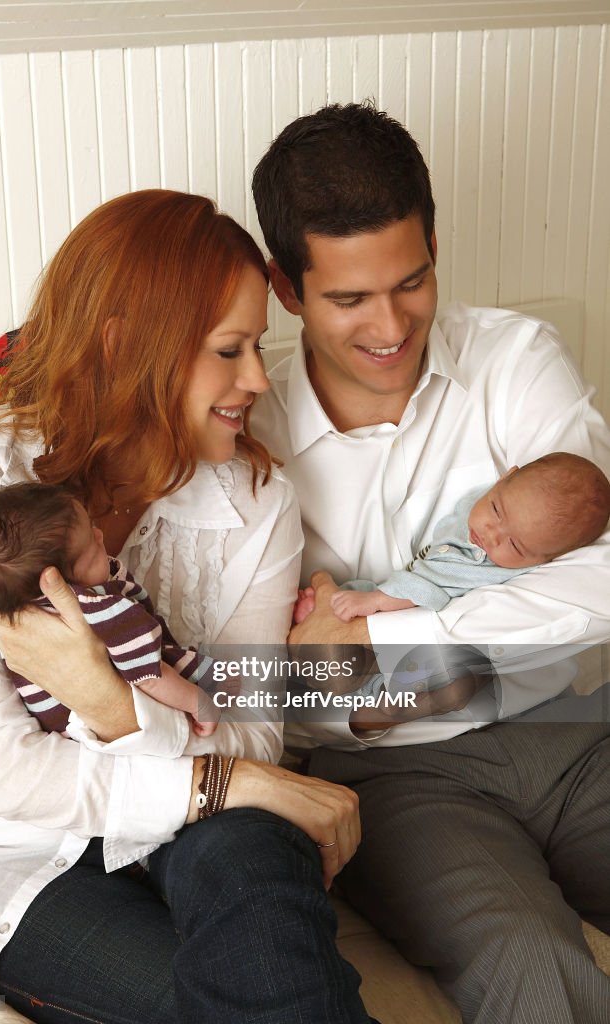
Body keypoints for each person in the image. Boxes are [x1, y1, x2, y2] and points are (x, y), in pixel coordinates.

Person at [0, 189, 373, 1024]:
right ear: (126, 344)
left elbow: (254, 726)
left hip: (207, 829)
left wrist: (114, 706)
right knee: (254, 1000)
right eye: (229, 351)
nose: (254, 381)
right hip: (10, 856)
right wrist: (217, 777)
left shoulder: (256, 497)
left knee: (263, 923)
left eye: (257, 349)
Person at [250, 101, 610, 1024]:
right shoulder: (244, 431)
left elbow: (600, 573)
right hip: (395, 782)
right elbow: (268, 681)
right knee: (535, 968)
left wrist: (400, 633)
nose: (389, 325)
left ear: (434, 244)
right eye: (347, 298)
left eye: (411, 281)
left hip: (567, 728)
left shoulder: (514, 361)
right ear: (286, 291)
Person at [0, 481, 221, 737]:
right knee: (221, 678)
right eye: (94, 551)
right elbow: (149, 675)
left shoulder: (17, 613)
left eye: (92, 527)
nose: (99, 535)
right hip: (113, 709)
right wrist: (197, 703)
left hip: (61, 725)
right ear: (55, 583)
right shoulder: (101, 608)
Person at [293, 453, 610, 623]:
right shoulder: (488, 498)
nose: (491, 534)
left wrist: (374, 601)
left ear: (545, 560)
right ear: (506, 477)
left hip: (419, 616)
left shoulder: (486, 568)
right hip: (404, 579)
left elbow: (430, 590)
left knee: (368, 606)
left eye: (514, 544)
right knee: (366, 588)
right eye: (497, 510)